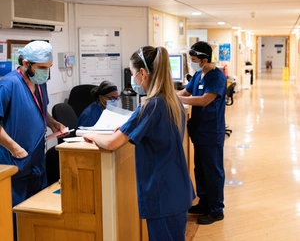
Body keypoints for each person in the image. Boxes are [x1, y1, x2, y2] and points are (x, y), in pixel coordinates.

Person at [83, 46, 195, 241]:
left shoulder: (151, 105)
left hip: (162, 194)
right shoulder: (171, 101)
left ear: (142, 73)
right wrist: (127, 127)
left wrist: (92, 135)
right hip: (176, 189)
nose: (133, 80)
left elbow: (111, 143)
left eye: (133, 74)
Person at [0, 41, 68, 241]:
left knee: (37, 218)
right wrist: (14, 148)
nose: (46, 73)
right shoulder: (8, 84)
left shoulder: (40, 83)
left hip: (36, 163)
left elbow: (40, 108)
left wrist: (53, 123)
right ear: (25, 63)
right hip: (15, 165)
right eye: (42, 68)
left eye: (49, 68)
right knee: (15, 224)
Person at [177, 41, 227, 225]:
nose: (192, 62)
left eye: (194, 60)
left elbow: (205, 100)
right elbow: (185, 92)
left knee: (213, 171)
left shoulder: (217, 77)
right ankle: (204, 202)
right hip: (198, 131)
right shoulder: (198, 75)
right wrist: (167, 94)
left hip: (211, 131)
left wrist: (176, 98)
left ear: (204, 59)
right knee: (200, 169)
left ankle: (216, 209)